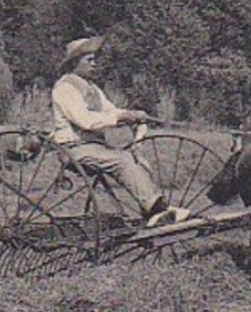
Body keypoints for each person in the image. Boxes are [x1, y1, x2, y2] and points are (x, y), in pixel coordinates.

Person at [51, 36, 181, 227]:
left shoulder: (92, 88)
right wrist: (119, 119)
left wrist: (132, 114)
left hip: (94, 147)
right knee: (122, 160)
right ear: (74, 63)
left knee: (137, 159)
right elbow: (85, 121)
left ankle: (151, 209)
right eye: (89, 60)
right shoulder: (65, 88)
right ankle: (156, 210)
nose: (95, 64)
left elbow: (110, 110)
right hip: (73, 148)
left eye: (95, 59)